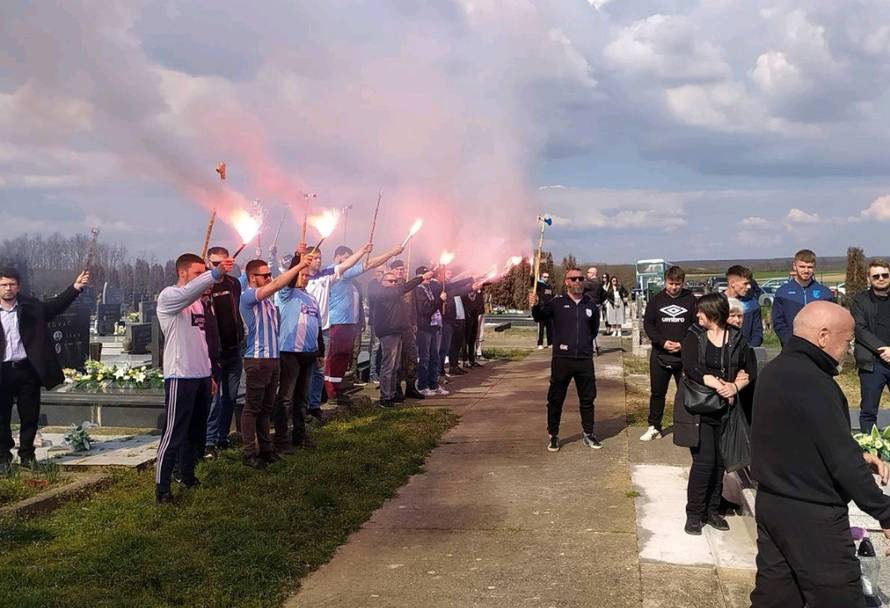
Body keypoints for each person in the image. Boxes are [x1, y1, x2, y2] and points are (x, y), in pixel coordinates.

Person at [750, 301, 890, 607]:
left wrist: (858, 455)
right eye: (848, 341)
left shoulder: (775, 371)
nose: (849, 350)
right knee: (838, 598)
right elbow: (841, 459)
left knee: (776, 597)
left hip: (773, 504)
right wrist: (884, 512)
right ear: (824, 336)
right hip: (813, 517)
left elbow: (797, 438)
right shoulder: (815, 382)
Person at [673, 294, 755, 535]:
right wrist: (718, 384)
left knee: (721, 463)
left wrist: (735, 387)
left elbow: (748, 369)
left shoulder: (736, 338)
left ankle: (712, 510)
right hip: (699, 407)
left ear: (714, 314)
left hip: (726, 408)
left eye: (701, 312)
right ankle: (694, 513)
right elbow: (691, 368)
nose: (697, 315)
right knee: (704, 462)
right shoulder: (693, 335)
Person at [155, 254, 232, 503]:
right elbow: (187, 293)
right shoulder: (169, 297)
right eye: (198, 273)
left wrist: (208, 372)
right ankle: (162, 487)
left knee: (195, 434)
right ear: (183, 273)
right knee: (173, 433)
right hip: (181, 375)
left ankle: (187, 476)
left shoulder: (199, 304)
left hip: (200, 375)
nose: (203, 279)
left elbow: (202, 342)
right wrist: (216, 273)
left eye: (204, 273)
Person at [0, 268, 89, 472]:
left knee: (30, 415)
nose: (8, 289)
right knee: (1, 417)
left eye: (12, 284)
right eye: (4, 285)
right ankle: (3, 457)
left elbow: (54, 307)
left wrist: (75, 288)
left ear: (18, 287)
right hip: (2, 371)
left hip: (26, 370)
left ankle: (27, 455)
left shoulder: (30, 307)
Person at [240, 254, 314, 469]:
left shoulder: (269, 303)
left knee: (266, 408)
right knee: (252, 408)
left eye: (270, 274)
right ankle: (249, 452)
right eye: (265, 276)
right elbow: (278, 285)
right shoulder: (248, 296)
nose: (269, 278)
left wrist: (299, 258)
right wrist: (299, 264)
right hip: (257, 359)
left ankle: (266, 449)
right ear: (252, 278)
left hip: (273, 358)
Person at [530, 267, 602, 452]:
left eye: (580, 278)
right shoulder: (557, 303)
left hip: (584, 359)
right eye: (574, 279)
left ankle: (588, 433)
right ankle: (553, 435)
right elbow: (540, 316)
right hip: (562, 358)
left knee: (588, 398)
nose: (578, 281)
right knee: (556, 399)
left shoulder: (590, 304)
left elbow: (593, 330)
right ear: (566, 282)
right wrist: (534, 304)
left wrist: (585, 344)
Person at [325, 243, 402, 406]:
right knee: (334, 358)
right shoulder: (338, 272)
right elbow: (369, 264)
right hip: (337, 322)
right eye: (346, 259)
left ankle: (337, 389)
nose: (349, 263)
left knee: (342, 359)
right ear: (338, 258)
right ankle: (331, 392)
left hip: (349, 323)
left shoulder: (350, 281)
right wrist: (391, 252)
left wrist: (358, 322)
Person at [305, 245, 371, 418]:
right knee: (327, 361)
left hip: (343, 325)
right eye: (314, 258)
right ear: (337, 257)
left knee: (339, 359)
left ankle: (332, 392)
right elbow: (363, 266)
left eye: (319, 257)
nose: (318, 261)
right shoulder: (332, 274)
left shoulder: (345, 280)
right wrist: (362, 252)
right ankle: (327, 394)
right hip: (333, 323)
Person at [272, 249, 323, 452]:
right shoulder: (285, 294)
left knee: (301, 397)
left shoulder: (311, 299)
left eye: (307, 275)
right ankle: (281, 440)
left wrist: (320, 352)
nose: (305, 278)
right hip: (289, 352)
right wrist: (299, 260)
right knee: (285, 398)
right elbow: (287, 280)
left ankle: (300, 436)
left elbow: (317, 327)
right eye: (302, 274)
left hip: (308, 353)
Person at [640, 266, 697, 441]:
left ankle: (685, 427)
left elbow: (697, 326)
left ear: (683, 283)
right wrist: (662, 342)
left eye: (678, 284)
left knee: (685, 393)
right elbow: (648, 324)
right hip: (660, 354)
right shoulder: (656, 300)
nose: (674, 287)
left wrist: (683, 344)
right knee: (657, 393)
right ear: (665, 282)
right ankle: (654, 426)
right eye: (671, 284)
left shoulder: (691, 300)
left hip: (683, 355)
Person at [204, 246, 244, 456]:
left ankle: (222, 436)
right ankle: (208, 440)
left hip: (233, 348)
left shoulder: (233, 283)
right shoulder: (204, 285)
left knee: (230, 396)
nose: (221, 266)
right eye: (216, 263)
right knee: (215, 399)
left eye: (224, 262)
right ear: (208, 263)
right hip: (214, 353)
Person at [371, 269, 433, 406]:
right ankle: (385, 397)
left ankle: (392, 394)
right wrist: (420, 278)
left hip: (397, 331)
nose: (394, 283)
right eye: (390, 281)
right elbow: (404, 288)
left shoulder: (393, 294)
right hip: (388, 332)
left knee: (395, 366)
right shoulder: (384, 293)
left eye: (395, 281)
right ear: (383, 282)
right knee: (388, 366)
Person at [852, 258, 890, 433]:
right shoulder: (860, 301)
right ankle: (872, 452)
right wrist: (884, 350)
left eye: (885, 275)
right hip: (872, 364)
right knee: (868, 411)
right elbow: (859, 329)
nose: (881, 278)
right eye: (876, 276)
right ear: (869, 279)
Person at [771, 249, 834, 346]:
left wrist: (823, 341)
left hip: (819, 347)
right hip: (791, 347)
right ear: (794, 266)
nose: (806, 270)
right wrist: (790, 342)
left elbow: (831, 321)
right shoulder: (782, 292)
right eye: (802, 266)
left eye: (810, 267)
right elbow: (778, 322)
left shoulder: (825, 293)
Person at [390, 259, 424, 400]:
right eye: (398, 269)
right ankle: (396, 388)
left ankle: (411, 386)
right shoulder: (390, 286)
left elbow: (414, 306)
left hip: (408, 327)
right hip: (395, 327)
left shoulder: (409, 286)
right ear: (392, 271)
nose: (400, 272)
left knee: (412, 357)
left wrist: (414, 322)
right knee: (396, 361)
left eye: (402, 269)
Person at [414, 266, 448, 397]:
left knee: (435, 356)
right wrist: (440, 300)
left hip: (434, 326)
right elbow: (426, 310)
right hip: (424, 328)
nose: (430, 278)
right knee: (425, 358)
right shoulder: (418, 290)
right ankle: (423, 385)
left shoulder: (429, 288)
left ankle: (433, 384)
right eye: (427, 275)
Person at [724, 265, 763, 347]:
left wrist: (749, 349)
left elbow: (757, 332)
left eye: (749, 283)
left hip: (746, 353)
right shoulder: (714, 303)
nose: (749, 287)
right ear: (732, 283)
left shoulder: (753, 304)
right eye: (745, 283)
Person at [583, 267, 606, 355]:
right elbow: (605, 294)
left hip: (590, 306)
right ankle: (597, 346)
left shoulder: (592, 283)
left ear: (593, 273)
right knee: (594, 326)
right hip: (597, 305)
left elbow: (580, 285)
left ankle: (593, 347)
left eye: (588, 272)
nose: (587, 274)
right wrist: (600, 301)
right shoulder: (599, 283)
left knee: (589, 326)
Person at [535, 272, 555, 350]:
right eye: (544, 277)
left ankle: (550, 343)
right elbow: (533, 282)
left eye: (547, 277)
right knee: (541, 328)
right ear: (541, 277)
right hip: (541, 309)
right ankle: (540, 343)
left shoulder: (549, 286)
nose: (546, 278)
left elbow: (552, 296)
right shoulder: (539, 285)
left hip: (549, 309)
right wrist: (532, 275)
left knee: (550, 327)